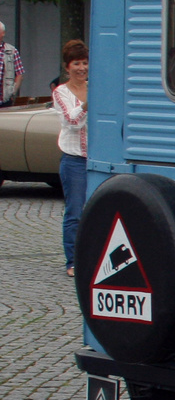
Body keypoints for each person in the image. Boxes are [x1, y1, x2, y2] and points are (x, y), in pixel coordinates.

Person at [52, 40, 88, 277]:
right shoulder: (60, 92)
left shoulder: (96, 85)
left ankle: (94, 256)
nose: (81, 68)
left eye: (85, 62)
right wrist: (88, 103)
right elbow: (72, 122)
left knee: (99, 210)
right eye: (76, 63)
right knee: (75, 212)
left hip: (96, 159)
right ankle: (73, 261)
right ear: (67, 67)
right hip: (74, 160)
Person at [0, 21, 23, 107]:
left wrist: (13, 92)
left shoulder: (11, 51)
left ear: (3, 33)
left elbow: (19, 74)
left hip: (5, 99)